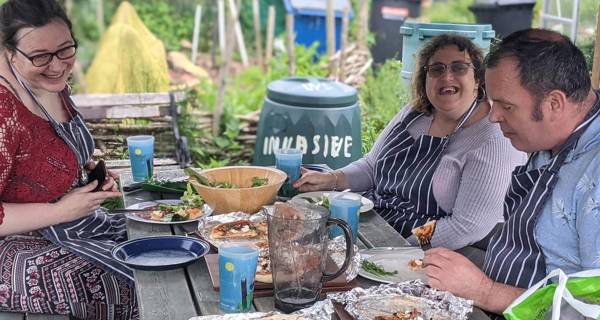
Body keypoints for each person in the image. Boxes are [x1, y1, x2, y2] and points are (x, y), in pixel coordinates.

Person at [423, 28, 600, 317]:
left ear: (554, 103)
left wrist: (485, 291)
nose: (494, 117)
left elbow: (593, 308)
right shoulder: (554, 134)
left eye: (506, 106)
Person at [294, 34, 525, 249]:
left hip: (423, 246)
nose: (447, 76)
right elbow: (372, 166)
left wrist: (400, 249)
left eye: (459, 67)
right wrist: (331, 179)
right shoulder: (415, 113)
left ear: (477, 79)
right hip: (372, 221)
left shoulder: (492, 138)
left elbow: (466, 227)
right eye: (436, 69)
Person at [0, 0, 137, 318]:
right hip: (17, 247)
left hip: (78, 224)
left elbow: (38, 156)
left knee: (164, 243)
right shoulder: (4, 111)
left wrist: (83, 173)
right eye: (40, 56)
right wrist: (59, 210)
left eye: (65, 50)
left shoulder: (45, 82)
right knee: (137, 281)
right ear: (9, 53)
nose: (58, 65)